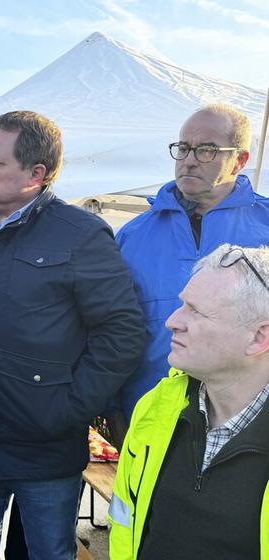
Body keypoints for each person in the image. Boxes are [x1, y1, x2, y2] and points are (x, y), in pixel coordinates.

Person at [0, 110, 144, 559]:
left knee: (49, 553)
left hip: (43, 449)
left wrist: (68, 407)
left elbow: (121, 332)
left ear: (36, 174)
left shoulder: (80, 234)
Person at [109, 244, 269, 559]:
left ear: (259, 339)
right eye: (182, 304)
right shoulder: (157, 406)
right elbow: (125, 523)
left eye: (196, 311)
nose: (172, 321)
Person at [114, 104, 269, 426]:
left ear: (240, 160)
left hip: (250, 419)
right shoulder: (133, 235)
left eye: (207, 150)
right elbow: (111, 326)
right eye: (183, 148)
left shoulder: (265, 225)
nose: (189, 160)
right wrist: (110, 405)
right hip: (149, 412)